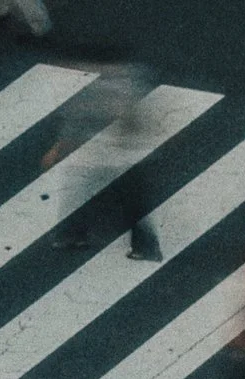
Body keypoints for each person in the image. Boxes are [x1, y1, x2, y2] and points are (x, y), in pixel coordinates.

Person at [44, 44, 161, 262]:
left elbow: (77, 121)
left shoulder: (96, 86)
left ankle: (73, 234)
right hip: (127, 154)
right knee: (129, 200)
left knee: (83, 192)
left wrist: (59, 149)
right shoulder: (133, 77)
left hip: (107, 154)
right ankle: (145, 245)